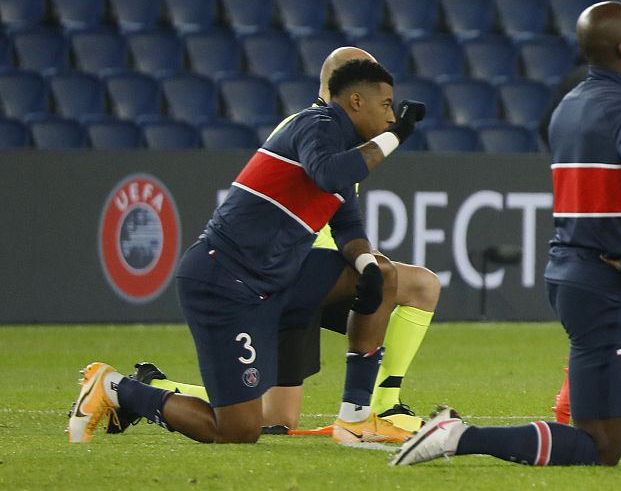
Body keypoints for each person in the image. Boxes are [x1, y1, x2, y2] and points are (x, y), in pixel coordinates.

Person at [392, 1, 621, 468]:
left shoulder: (568, 106)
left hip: (571, 273)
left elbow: (598, 201)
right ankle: (459, 436)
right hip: (607, 282)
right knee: (598, 449)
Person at [69, 60, 426, 444]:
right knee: (238, 430)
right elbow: (329, 175)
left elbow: (347, 225)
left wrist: (364, 264)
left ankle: (355, 420)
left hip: (280, 278)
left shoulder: (340, 148)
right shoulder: (316, 124)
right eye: (386, 105)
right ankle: (119, 389)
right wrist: (398, 136)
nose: (392, 116)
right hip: (225, 283)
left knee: (384, 273)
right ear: (356, 101)